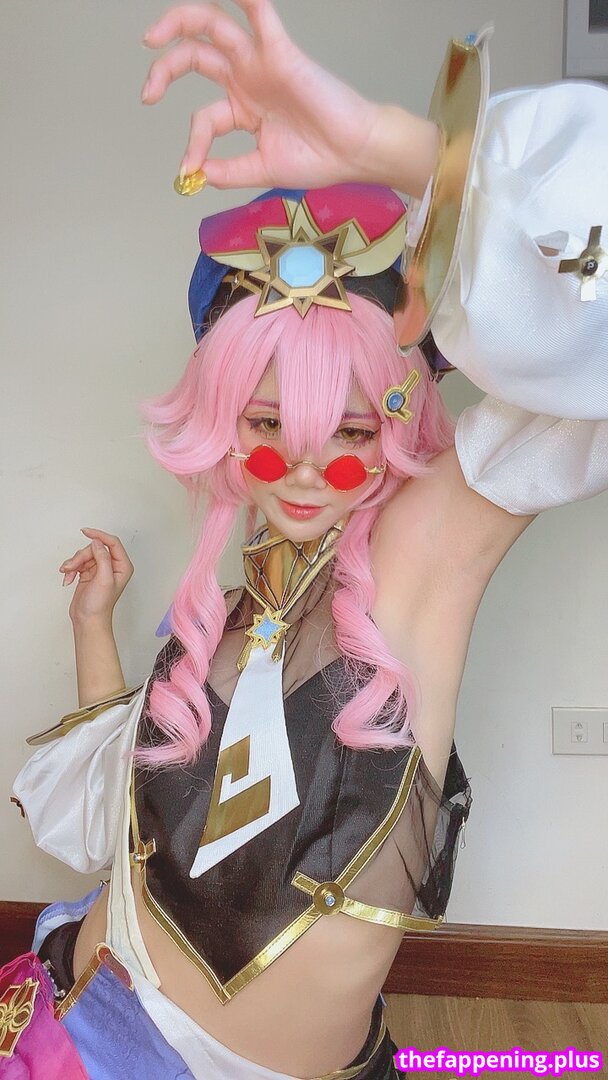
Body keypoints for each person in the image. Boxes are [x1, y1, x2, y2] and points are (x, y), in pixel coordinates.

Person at [4, 2, 607, 1078]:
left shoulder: (423, 557)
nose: (299, 467)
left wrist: (396, 146)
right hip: (68, 1025)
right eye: (267, 423)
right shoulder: (227, 603)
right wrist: (95, 626)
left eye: (350, 432)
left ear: (399, 424)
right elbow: (117, 825)